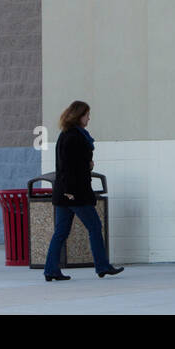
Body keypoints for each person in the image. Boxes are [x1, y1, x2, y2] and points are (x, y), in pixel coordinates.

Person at [43, 101, 123, 281]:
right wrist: (71, 189)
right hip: (75, 193)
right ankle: (102, 266)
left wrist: (86, 165)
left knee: (61, 232)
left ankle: (51, 270)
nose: (89, 118)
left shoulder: (68, 134)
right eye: (87, 115)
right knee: (94, 227)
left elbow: (73, 163)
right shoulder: (74, 136)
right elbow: (67, 166)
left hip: (65, 193)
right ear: (78, 116)